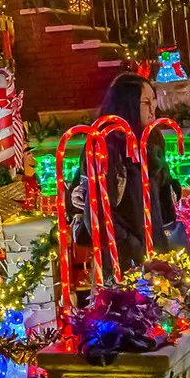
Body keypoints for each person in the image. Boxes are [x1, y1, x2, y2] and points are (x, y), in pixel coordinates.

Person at [72, 71, 177, 272]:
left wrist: (169, 193)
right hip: (123, 261)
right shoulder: (105, 144)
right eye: (146, 101)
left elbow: (160, 189)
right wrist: (131, 246)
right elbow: (97, 213)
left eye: (154, 100)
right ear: (128, 104)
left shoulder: (153, 138)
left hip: (156, 250)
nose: (153, 107)